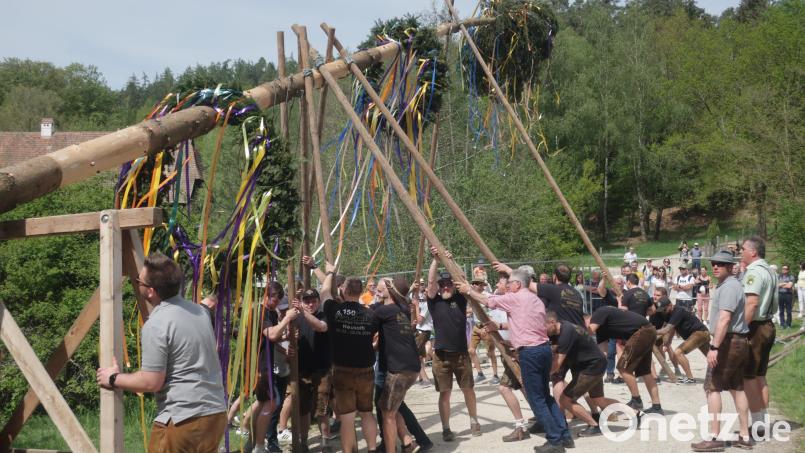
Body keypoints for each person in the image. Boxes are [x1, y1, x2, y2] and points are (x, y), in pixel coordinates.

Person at [95, 252, 227, 453]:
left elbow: (151, 382)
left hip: (184, 419)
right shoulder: (199, 312)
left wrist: (113, 378)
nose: (137, 282)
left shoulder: (157, 323)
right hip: (215, 413)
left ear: (150, 291)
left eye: (139, 280)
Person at [458, 268, 573, 453]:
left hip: (531, 352)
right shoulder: (535, 300)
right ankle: (564, 435)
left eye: (510, 282)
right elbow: (524, 323)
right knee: (545, 395)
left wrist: (469, 290)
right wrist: (501, 326)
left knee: (537, 399)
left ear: (518, 284)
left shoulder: (516, 297)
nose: (508, 285)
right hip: (543, 350)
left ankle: (554, 441)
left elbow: (489, 300)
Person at [690, 250, 752, 451]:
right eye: (714, 263)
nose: (715, 266)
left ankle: (714, 436)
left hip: (728, 342)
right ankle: (744, 435)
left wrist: (714, 348)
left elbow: (724, 319)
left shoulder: (729, 287)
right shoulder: (731, 285)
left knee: (713, 387)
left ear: (730, 267)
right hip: (737, 340)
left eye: (721, 264)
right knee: (737, 387)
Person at [321, 264, 380, 453]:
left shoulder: (334, 309)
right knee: (366, 413)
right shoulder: (371, 314)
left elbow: (323, 293)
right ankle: (372, 449)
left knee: (346, 417)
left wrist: (330, 272)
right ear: (361, 291)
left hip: (343, 371)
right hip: (366, 371)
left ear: (344, 290)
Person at [426, 247, 481, 441]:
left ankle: (474, 421)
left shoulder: (459, 299)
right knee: (445, 394)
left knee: (468, 389)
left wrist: (452, 261)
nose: (445, 287)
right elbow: (431, 282)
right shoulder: (434, 301)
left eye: (448, 284)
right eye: (443, 284)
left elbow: (463, 280)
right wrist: (435, 260)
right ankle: (446, 428)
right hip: (440, 356)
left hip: (461, 354)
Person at [545, 311, 625, 437]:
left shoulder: (566, 333)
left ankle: (594, 425)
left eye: (543, 326)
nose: (542, 330)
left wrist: (541, 374)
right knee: (598, 399)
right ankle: (635, 412)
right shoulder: (562, 327)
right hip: (595, 363)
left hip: (591, 367)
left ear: (552, 322)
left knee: (565, 399)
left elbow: (558, 363)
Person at [373, 277, 423, 453]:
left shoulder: (385, 311)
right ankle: (408, 442)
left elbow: (367, 320)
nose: (381, 287)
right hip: (411, 367)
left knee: (387, 414)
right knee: (389, 406)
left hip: (399, 369)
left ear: (391, 290)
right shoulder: (403, 309)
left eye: (386, 285)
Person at [588, 305, 664, 415]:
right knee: (645, 371)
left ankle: (636, 400)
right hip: (648, 331)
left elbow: (590, 330)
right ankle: (657, 407)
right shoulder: (601, 330)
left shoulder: (599, 312)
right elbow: (603, 352)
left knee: (623, 367)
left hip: (643, 331)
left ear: (588, 319)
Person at [741, 236, 778, 438]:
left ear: (753, 252)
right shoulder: (770, 271)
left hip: (755, 327)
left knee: (748, 377)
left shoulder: (754, 272)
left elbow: (752, 303)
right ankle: (763, 421)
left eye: (743, 249)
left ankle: (757, 425)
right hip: (768, 325)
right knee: (760, 376)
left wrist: (741, 328)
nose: (741, 252)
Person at [289, 288, 330, 450]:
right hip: (302, 370)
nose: (310, 304)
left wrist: (302, 311)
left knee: (322, 408)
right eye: (307, 301)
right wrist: (287, 347)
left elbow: (320, 327)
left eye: (313, 300)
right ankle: (304, 442)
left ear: (319, 301)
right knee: (303, 409)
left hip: (322, 370)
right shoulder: (295, 318)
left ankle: (325, 442)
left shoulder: (323, 315)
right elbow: (285, 339)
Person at [654, 295, 711, 384]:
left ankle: (690, 378)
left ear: (670, 305)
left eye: (664, 309)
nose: (663, 312)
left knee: (678, 352)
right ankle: (724, 377)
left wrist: (651, 331)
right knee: (711, 357)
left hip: (699, 333)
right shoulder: (669, 314)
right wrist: (668, 342)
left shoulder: (678, 311)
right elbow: (672, 329)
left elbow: (665, 330)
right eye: (662, 310)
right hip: (700, 334)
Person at [468, 274, 499, 384]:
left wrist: (488, 327)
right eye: (474, 284)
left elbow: (492, 313)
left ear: (482, 286)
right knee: (471, 350)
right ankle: (480, 374)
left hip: (486, 328)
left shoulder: (487, 297)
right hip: (476, 327)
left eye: (477, 284)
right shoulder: (471, 296)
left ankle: (495, 375)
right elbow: (470, 309)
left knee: (490, 353)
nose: (474, 285)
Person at [412, 279, 434, 387]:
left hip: (423, 332)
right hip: (421, 332)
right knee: (419, 356)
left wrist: (416, 306)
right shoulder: (424, 303)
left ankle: (425, 379)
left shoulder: (427, 304)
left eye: (426, 291)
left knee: (416, 356)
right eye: (423, 290)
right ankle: (422, 378)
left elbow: (420, 320)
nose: (424, 292)